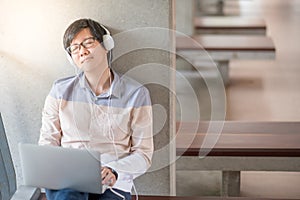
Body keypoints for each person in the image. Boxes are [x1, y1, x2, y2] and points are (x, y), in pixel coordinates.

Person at [38, 18, 153, 200]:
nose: (82, 51)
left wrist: (116, 170)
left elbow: (143, 155)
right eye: (75, 48)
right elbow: (47, 143)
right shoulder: (59, 91)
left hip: (113, 184)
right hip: (69, 182)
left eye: (88, 43)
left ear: (106, 44)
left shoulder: (137, 94)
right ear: (71, 58)